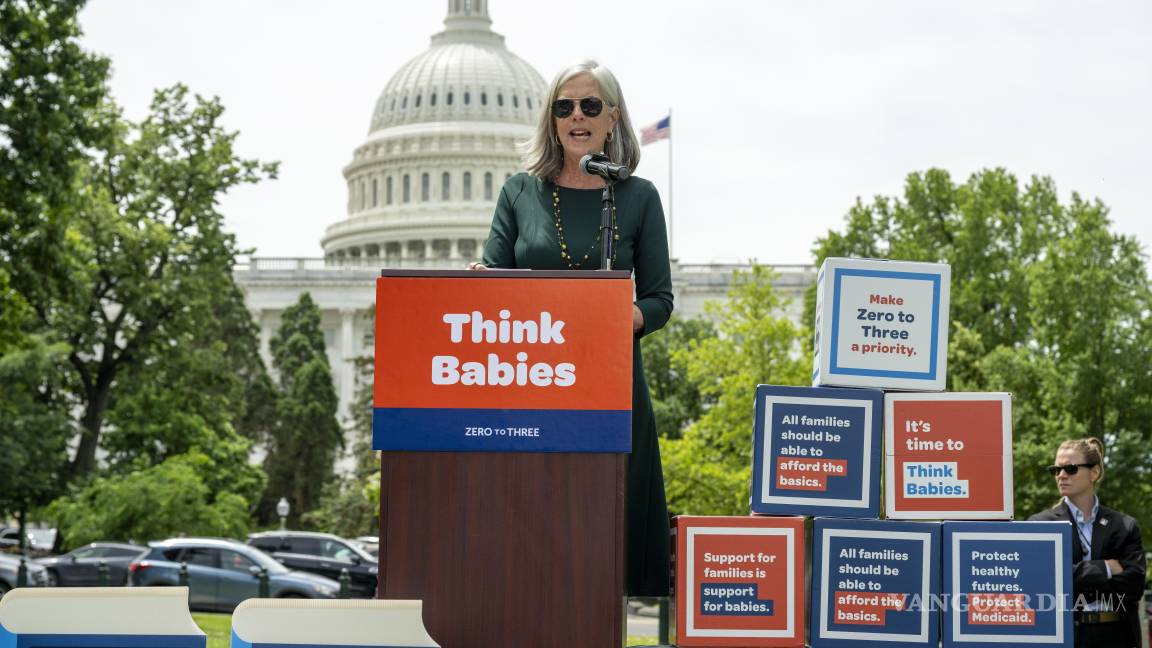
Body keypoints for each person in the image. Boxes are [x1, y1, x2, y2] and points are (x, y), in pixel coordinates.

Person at [472, 60, 673, 597]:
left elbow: (660, 299)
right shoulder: (519, 192)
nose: (576, 116)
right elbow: (494, 276)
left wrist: (628, 315)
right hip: (532, 380)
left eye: (589, 105)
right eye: (565, 106)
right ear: (552, 118)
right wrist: (476, 283)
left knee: (602, 530)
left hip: (608, 379)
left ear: (612, 117)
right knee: (534, 531)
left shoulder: (638, 197)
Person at [1029, 437, 1145, 648]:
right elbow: (1042, 583)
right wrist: (1105, 568)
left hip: (1116, 636)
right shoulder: (1039, 524)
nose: (1061, 475)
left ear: (1094, 473)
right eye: (1056, 469)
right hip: (1063, 636)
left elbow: (1134, 585)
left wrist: (1072, 575)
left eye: (1070, 468)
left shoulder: (1125, 525)